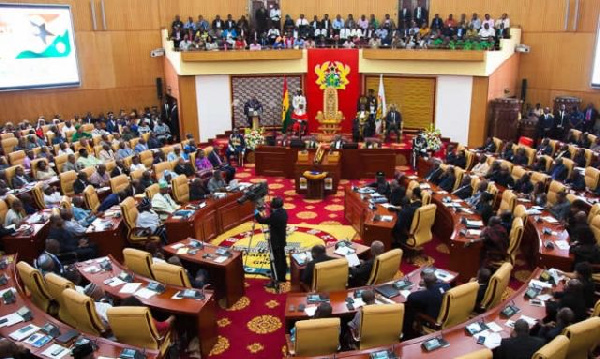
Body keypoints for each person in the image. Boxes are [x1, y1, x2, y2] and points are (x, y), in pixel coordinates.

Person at [403, 267, 450, 339]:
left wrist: (424, 287)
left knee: (408, 309)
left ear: (423, 281)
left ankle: (407, 335)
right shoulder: (446, 286)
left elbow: (410, 297)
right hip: (445, 316)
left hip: (432, 321)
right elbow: (439, 286)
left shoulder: (425, 295)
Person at [255, 196, 288, 287]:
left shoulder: (275, 216)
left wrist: (256, 212)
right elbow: (274, 213)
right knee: (282, 258)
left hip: (275, 242)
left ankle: (275, 279)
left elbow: (261, 220)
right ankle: (282, 277)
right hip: (281, 240)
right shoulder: (283, 212)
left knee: (275, 261)